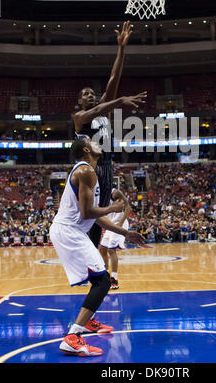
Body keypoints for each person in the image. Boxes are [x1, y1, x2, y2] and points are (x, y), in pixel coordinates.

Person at [49, 138, 145, 357]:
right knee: (102, 281)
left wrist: (125, 233)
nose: (96, 142)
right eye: (91, 141)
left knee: (98, 278)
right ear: (86, 149)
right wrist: (113, 207)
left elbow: (95, 218)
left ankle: (88, 321)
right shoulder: (85, 172)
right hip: (69, 231)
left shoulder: (89, 172)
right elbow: (87, 213)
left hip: (73, 231)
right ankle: (73, 337)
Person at [72, 21, 147, 251]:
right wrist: (120, 100)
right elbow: (95, 111)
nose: (91, 96)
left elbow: (114, 78)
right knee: (89, 218)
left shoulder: (103, 108)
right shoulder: (79, 117)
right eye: (86, 94)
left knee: (98, 223)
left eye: (93, 94)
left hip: (107, 167)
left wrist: (122, 48)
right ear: (79, 102)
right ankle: (85, 257)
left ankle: (93, 261)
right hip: (90, 171)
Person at [99, 188, 132, 290]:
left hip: (119, 222)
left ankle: (114, 278)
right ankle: (105, 276)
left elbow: (128, 207)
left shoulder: (114, 192)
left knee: (111, 250)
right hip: (110, 224)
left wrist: (121, 222)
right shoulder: (96, 194)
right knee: (102, 249)